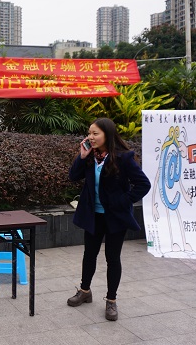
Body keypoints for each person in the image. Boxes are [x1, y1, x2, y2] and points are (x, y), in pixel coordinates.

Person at [67, 117, 150, 321]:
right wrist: (81, 156)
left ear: (108, 135)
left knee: (112, 258)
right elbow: (73, 176)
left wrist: (123, 201)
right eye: (89, 133)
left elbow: (143, 184)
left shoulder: (123, 158)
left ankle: (111, 300)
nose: (90, 137)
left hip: (115, 217)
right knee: (89, 254)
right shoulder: (90, 156)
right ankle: (85, 291)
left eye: (95, 133)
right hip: (93, 215)